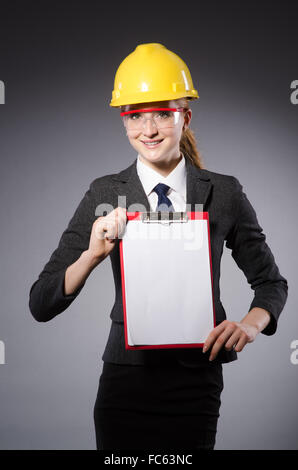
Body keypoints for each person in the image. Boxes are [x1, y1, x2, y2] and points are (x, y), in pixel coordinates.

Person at [29, 43, 288, 450]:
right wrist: (93, 254)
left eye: (162, 115)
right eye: (135, 117)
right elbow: (41, 304)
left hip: (196, 382)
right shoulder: (105, 192)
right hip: (124, 383)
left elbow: (271, 284)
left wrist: (249, 325)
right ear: (123, 122)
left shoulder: (224, 192)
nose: (148, 130)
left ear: (185, 117)